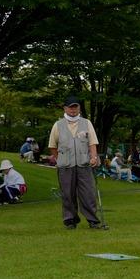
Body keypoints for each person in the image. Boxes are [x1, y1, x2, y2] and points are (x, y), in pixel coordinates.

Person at [48, 95, 103, 230]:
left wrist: (94, 157)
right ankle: (70, 220)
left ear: (79, 108)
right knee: (67, 194)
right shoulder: (58, 125)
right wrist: (59, 158)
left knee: (88, 193)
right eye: (70, 107)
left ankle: (92, 220)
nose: (73, 110)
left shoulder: (86, 122)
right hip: (65, 166)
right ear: (65, 108)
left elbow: (92, 143)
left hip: (84, 164)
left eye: (75, 107)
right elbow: (52, 146)